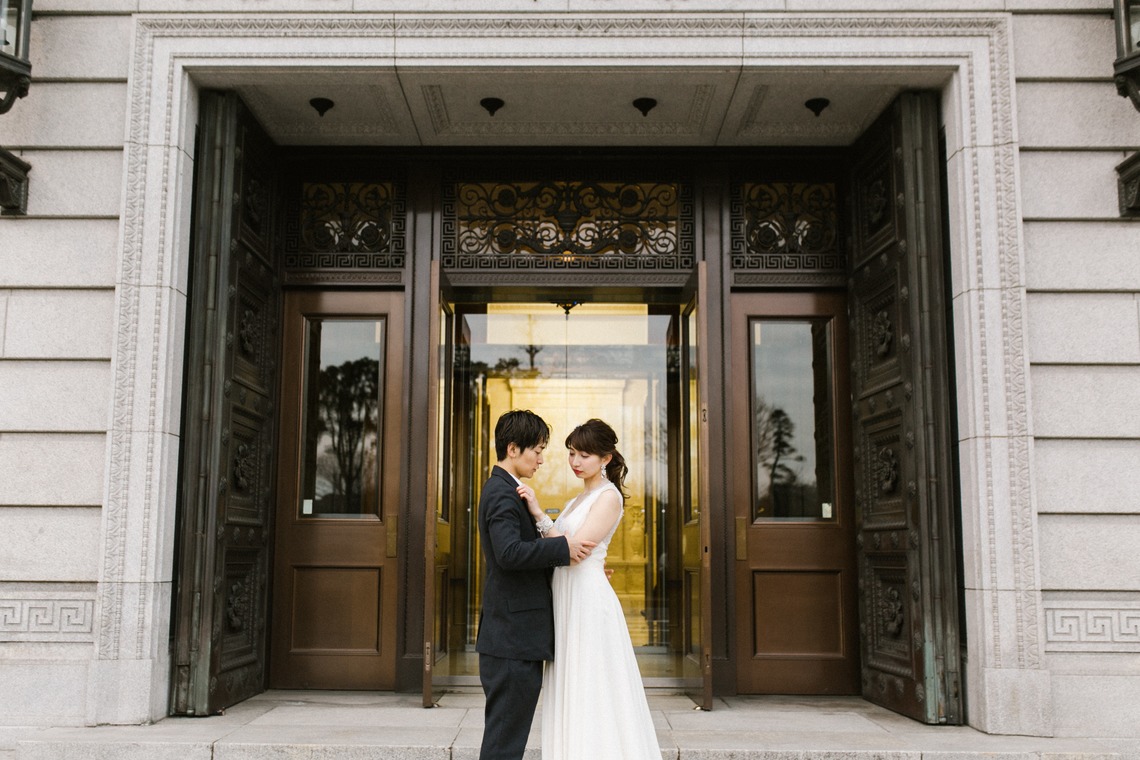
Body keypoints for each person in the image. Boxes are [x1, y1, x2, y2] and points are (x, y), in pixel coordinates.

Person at [517, 418, 663, 760]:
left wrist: (537, 511)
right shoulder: (577, 500)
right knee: (573, 680)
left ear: (606, 458)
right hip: (568, 594)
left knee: (592, 681)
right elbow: (563, 546)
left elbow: (577, 550)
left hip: (587, 598)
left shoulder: (609, 497)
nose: (575, 462)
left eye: (584, 454)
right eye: (571, 453)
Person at [476, 409, 595, 760]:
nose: (542, 459)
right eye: (537, 450)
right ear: (513, 449)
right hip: (511, 640)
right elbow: (509, 554)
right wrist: (563, 548)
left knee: (506, 739)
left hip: (515, 638)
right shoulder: (501, 493)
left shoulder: (511, 490)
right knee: (504, 743)